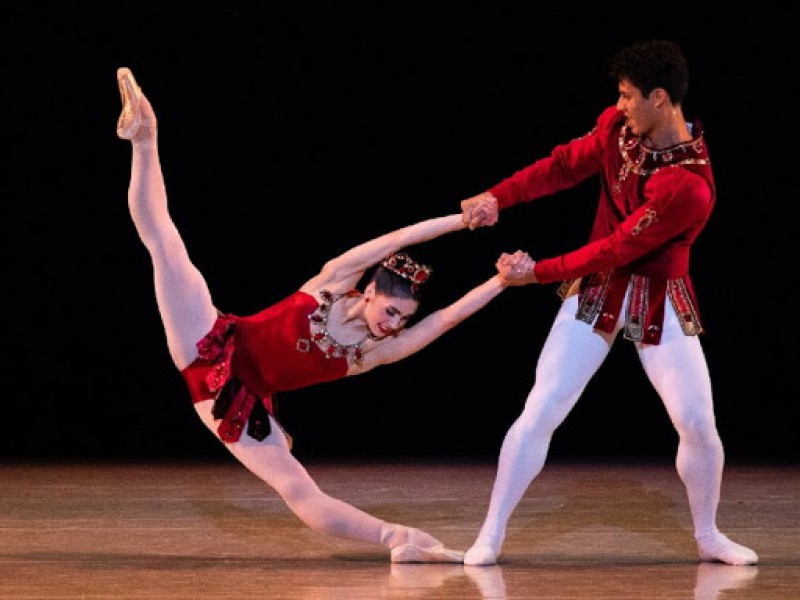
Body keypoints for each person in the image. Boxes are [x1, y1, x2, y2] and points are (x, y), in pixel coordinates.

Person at [115, 66, 510, 563]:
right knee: (167, 248)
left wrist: (499, 282)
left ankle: (396, 537)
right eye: (391, 310)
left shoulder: (373, 352)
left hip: (231, 398)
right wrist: (461, 221)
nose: (394, 325)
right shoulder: (329, 283)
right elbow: (398, 239)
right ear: (367, 292)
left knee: (298, 491)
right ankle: (144, 135)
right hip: (213, 340)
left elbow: (444, 320)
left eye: (402, 320)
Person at [459, 39, 758, 566]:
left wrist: (538, 273)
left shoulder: (688, 186)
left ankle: (708, 535)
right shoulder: (618, 128)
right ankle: (491, 532)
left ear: (659, 98)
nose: (619, 105)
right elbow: (561, 166)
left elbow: (619, 248)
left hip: (656, 292)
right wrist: (497, 197)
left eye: (627, 96)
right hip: (599, 287)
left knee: (695, 422)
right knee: (543, 407)